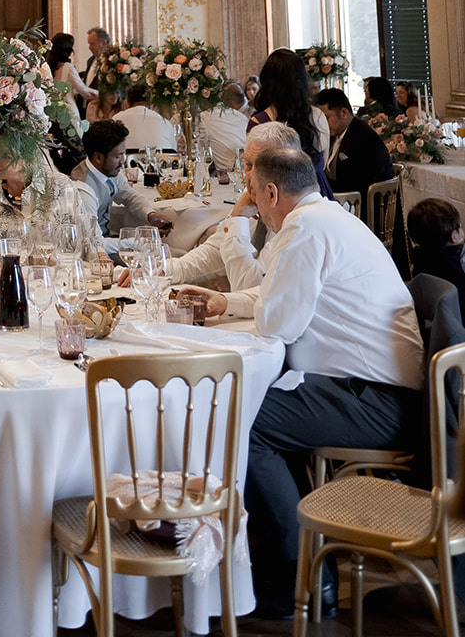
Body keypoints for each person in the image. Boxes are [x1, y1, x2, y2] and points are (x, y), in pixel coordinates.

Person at [180, 146, 423, 620]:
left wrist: (245, 303)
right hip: (368, 386)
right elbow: (282, 298)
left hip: (375, 400)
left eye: (253, 193)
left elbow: (278, 323)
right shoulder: (326, 217)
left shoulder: (304, 229)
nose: (252, 203)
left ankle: (303, 578)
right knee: (252, 406)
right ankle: (285, 554)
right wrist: (225, 303)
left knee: (242, 418)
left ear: (272, 192)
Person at [162, 120, 299, 287]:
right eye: (248, 165)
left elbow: (257, 289)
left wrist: (238, 217)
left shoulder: (297, 221)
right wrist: (164, 271)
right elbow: (214, 251)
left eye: (262, 167)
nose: (251, 176)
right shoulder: (248, 201)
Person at [70, 119, 173, 255]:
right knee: (156, 259)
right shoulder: (83, 189)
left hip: (107, 240)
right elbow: (95, 244)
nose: (123, 161)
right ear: (98, 157)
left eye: (124, 154)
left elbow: (129, 196)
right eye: (118, 156)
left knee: (164, 252)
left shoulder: (107, 170)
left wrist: (150, 215)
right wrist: (139, 240)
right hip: (93, 254)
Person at [247, 48, 332, 195]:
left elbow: (254, 176)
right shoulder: (318, 115)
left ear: (267, 81)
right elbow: (323, 163)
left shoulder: (259, 122)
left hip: (281, 199)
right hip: (317, 194)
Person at [318, 87, 393, 204]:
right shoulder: (334, 135)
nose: (323, 124)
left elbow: (355, 182)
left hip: (364, 206)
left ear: (344, 113)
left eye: (327, 117)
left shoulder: (364, 138)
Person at [406, 199, 465, 315]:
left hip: (440, 321)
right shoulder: (458, 263)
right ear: (454, 236)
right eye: (460, 226)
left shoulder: (419, 260)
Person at [49, 32, 97, 136]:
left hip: (55, 115)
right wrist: (103, 95)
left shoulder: (50, 67)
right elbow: (85, 92)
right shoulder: (67, 67)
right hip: (69, 114)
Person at [199, 81, 250, 172]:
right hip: (245, 172)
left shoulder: (205, 117)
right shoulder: (244, 118)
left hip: (224, 175)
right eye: (240, 106)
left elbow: (201, 149)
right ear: (231, 102)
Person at [113, 83, 177, 151]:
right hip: (160, 160)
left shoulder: (116, 120)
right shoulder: (165, 123)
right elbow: (173, 151)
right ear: (151, 103)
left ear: (127, 103)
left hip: (125, 161)